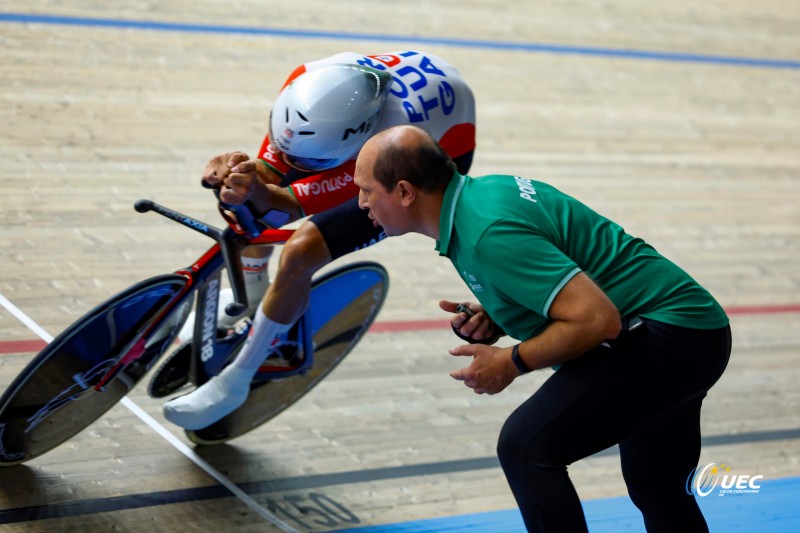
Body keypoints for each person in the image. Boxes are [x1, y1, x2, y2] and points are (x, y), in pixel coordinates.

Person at [353, 125, 731, 532]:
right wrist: (500, 313)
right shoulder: (482, 197)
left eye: (367, 190)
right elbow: (569, 275)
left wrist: (511, 362)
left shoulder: (487, 234)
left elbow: (596, 319)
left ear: (406, 192)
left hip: (666, 335)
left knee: (525, 447)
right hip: (696, 330)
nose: (360, 203)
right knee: (657, 485)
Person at [164, 51, 476, 429]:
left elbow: (285, 208)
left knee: (302, 250)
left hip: (437, 150)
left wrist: (256, 190)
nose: (300, 166)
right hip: (393, 114)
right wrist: (239, 171)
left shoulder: (384, 145)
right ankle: (256, 286)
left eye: (312, 163)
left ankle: (238, 380)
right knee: (258, 204)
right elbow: (274, 169)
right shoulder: (304, 85)